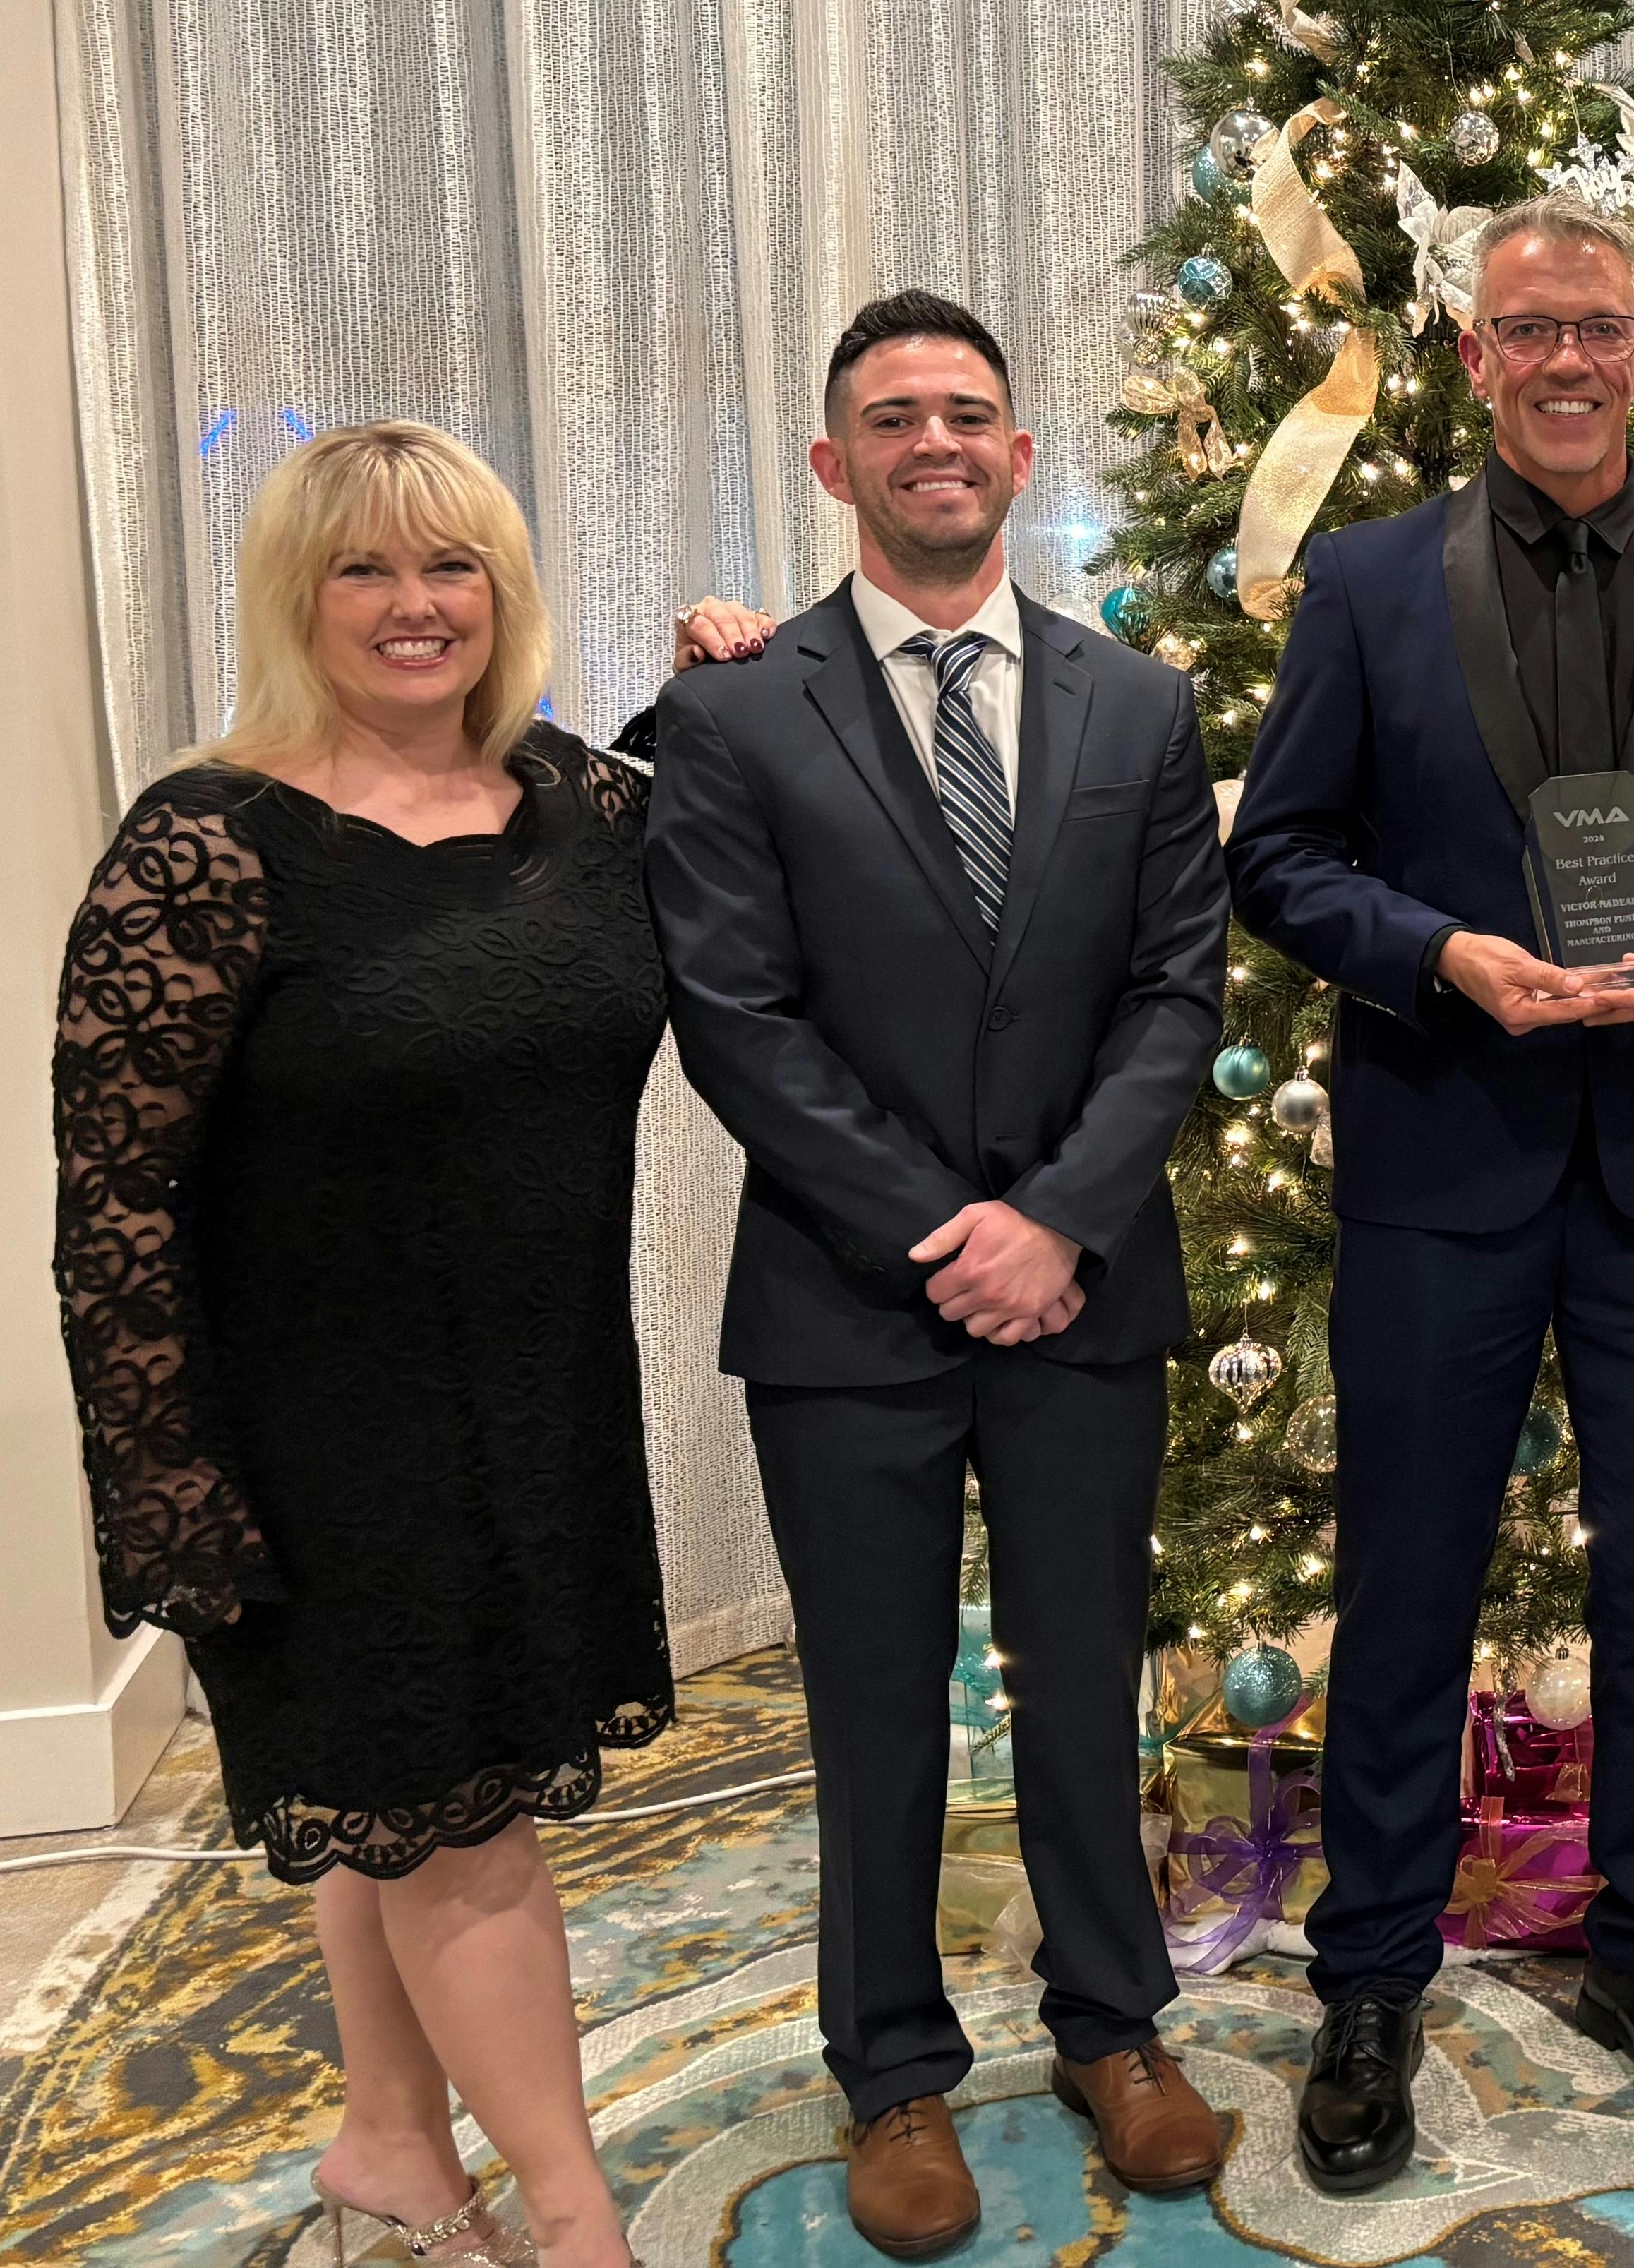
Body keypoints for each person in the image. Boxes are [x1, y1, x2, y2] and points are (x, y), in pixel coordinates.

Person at [1227, 195, 1634, 2192]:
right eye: (1529, 329)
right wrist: (1439, 955)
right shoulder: (1366, 581)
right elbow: (1279, 854)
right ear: (1476, 353)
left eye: (1599, 326)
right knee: (1406, 1589)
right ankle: (1372, 1979)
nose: (1568, 360)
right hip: (1443, 1159)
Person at [642, 291, 1236, 2260]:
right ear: (836, 463)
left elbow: (1177, 990)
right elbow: (738, 1014)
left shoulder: (1138, 706)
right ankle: (892, 2065)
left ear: (1019, 453)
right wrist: (943, 1230)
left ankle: (1113, 2027)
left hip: (1084, 1290)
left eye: (968, 413)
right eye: (892, 417)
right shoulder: (737, 713)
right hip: (845, 1299)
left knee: (1082, 1686)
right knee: (878, 1707)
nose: (935, 442)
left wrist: (1055, 1218)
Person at [53, 422, 666, 2268]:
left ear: (504, 587)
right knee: (458, 1824)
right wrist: (169, 1488)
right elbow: (115, 1205)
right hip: (328, 1437)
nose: (417, 604)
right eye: (366, 568)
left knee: (396, 1801)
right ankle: (578, 2222)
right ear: (296, 596)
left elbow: (720, 831)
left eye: (451, 562)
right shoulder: (206, 845)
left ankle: (392, 2139)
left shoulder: (579, 799)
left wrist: (724, 666)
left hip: (539, 1394)